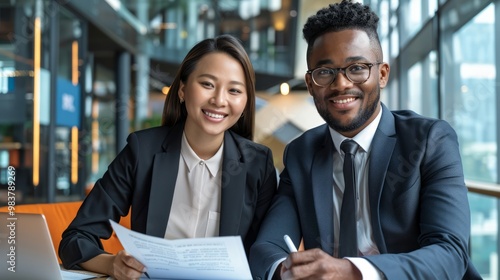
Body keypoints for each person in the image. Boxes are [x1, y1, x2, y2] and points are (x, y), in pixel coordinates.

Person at [249, 1, 481, 279]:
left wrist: (351, 271)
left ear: (381, 74)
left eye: (356, 68)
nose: (341, 84)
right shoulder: (302, 152)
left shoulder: (430, 140)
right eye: (325, 72)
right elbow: (267, 248)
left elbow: (450, 253)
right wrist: (286, 272)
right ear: (311, 84)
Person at [59, 34, 277, 280]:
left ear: (246, 101)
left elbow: (264, 257)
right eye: (207, 84)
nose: (219, 100)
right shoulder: (142, 150)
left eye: (234, 90)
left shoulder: (257, 164)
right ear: (183, 90)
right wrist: (112, 264)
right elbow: (75, 238)